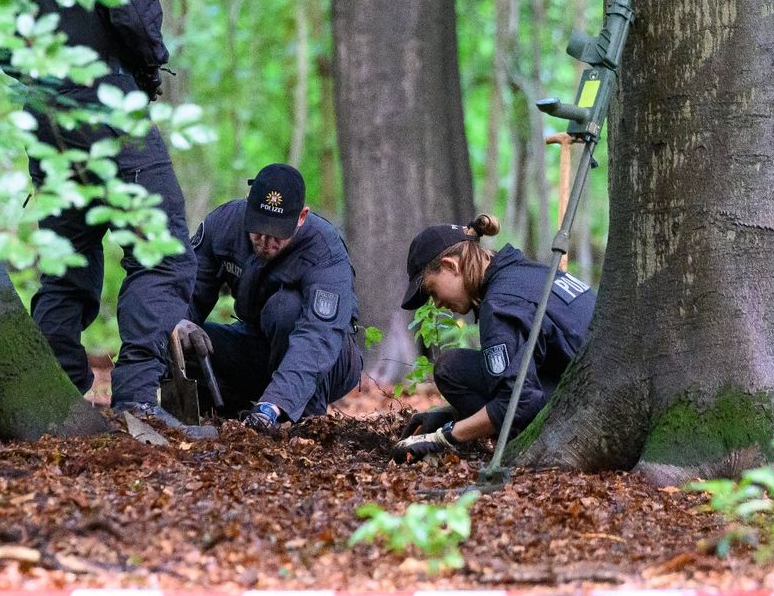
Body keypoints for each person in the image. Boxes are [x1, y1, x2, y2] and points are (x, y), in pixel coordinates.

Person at [8, 0, 199, 435]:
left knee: (67, 254)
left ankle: (54, 398)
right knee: (162, 248)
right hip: (109, 109)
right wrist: (146, 70)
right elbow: (135, 8)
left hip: (45, 119)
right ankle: (139, 399)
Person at [173, 164, 363, 435]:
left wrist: (276, 402)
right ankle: (232, 420)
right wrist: (179, 321)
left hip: (329, 357)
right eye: (259, 228)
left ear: (301, 217)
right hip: (257, 343)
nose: (265, 240)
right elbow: (187, 289)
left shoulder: (325, 250)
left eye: (277, 232)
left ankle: (301, 423)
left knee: (285, 309)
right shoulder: (224, 223)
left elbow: (318, 336)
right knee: (190, 339)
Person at [389, 216, 595, 462]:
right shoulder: (523, 272)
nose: (438, 303)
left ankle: (517, 451)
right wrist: (451, 415)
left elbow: (519, 403)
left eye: (433, 291)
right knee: (456, 367)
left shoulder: (500, 304)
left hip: (586, 413)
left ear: (451, 266)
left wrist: (442, 438)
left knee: (449, 369)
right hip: (589, 389)